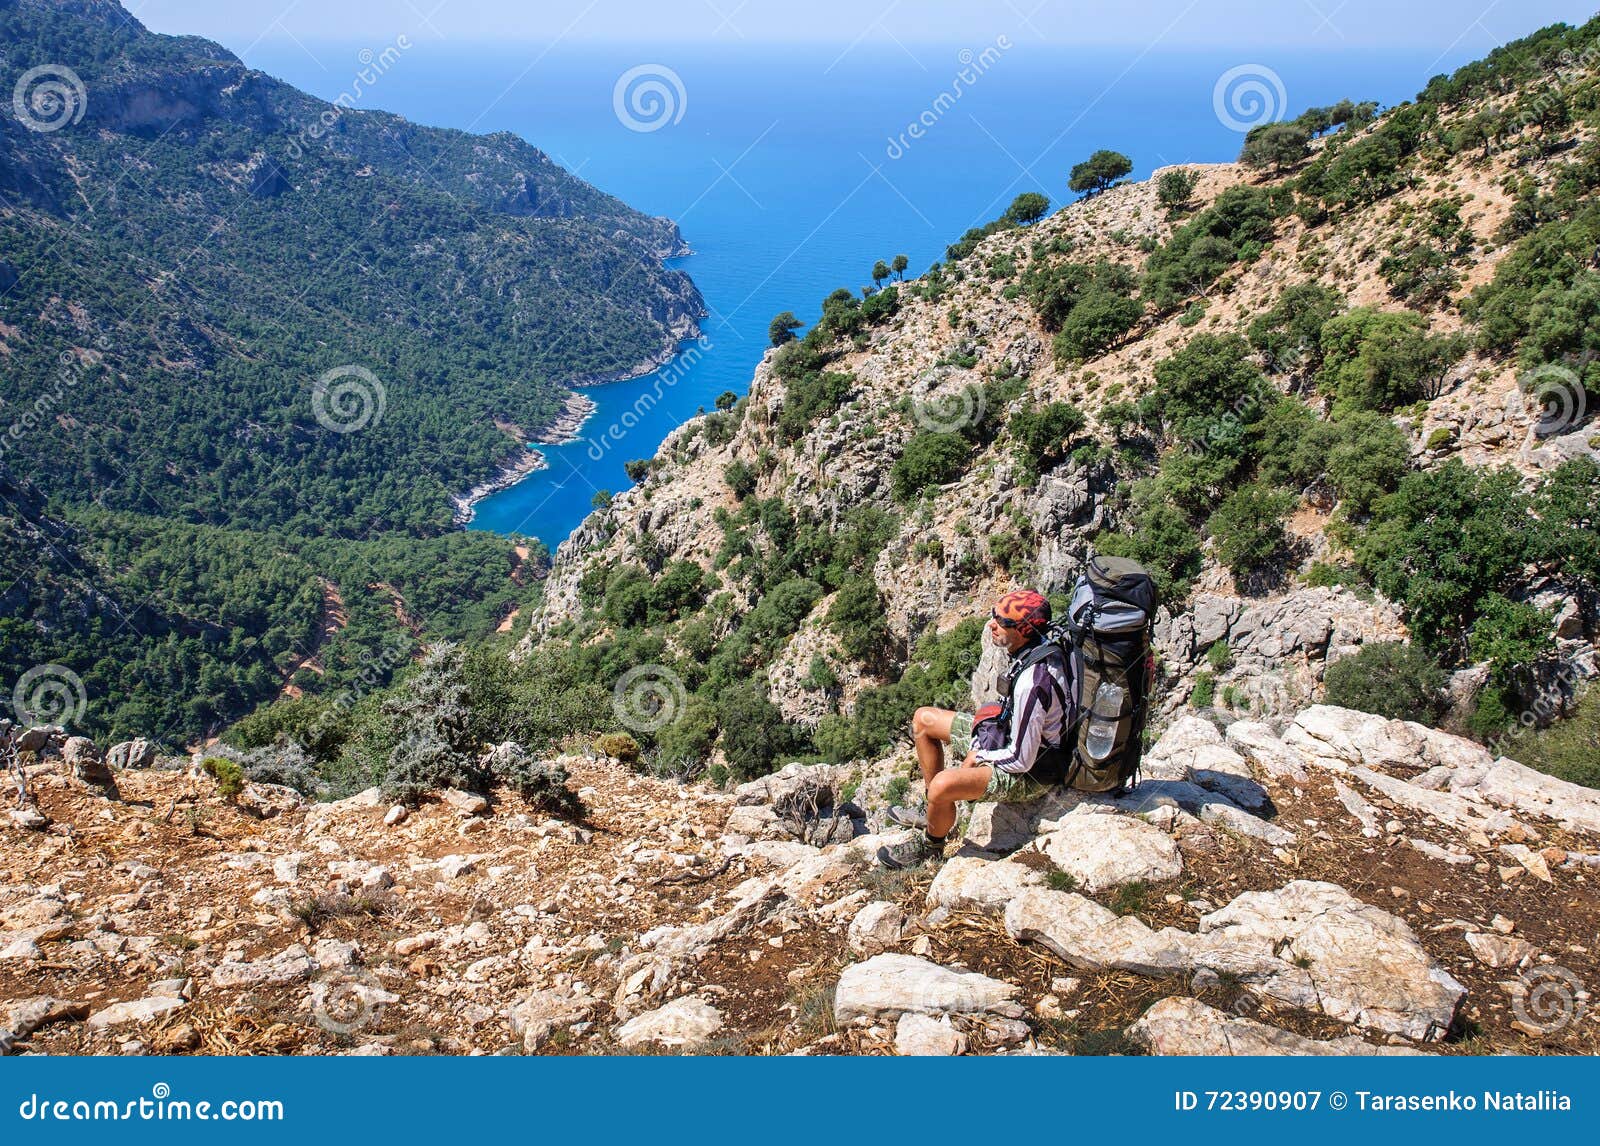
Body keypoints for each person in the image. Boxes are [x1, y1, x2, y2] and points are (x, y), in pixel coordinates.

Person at [877, 588, 1073, 869]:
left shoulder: (1034, 681)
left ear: (1023, 630)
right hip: (1012, 733)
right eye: (994, 616)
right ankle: (935, 810)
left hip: (1034, 771)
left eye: (1001, 622)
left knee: (943, 784)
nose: (991, 624)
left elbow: (1021, 758)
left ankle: (931, 845)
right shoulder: (1035, 646)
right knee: (924, 719)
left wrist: (979, 755)